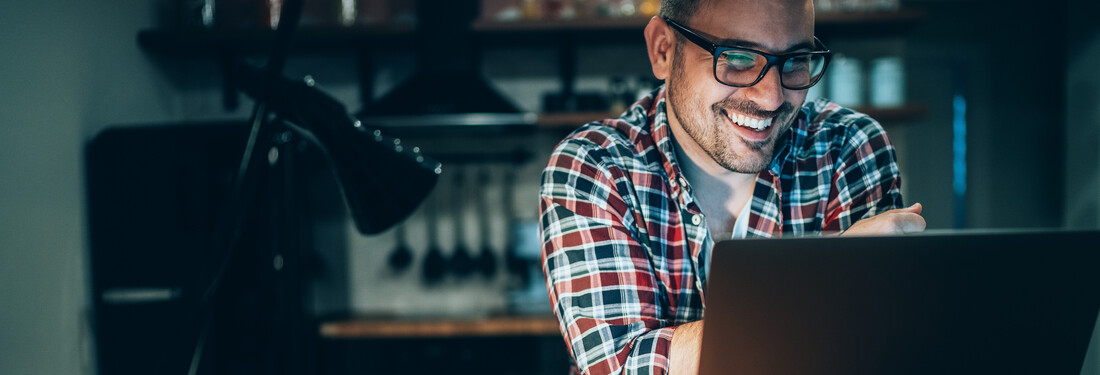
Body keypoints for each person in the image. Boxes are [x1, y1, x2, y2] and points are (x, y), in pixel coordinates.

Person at [538, 0, 927, 374]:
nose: (772, 97)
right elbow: (624, 367)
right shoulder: (595, 167)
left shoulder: (849, 148)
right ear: (663, 50)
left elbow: (869, 355)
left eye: (796, 60)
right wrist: (834, 280)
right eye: (738, 58)